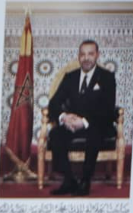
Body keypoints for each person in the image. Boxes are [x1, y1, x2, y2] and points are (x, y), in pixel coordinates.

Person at [47, 40, 117, 196]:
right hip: (73, 124)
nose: (86, 58)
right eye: (82, 54)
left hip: (97, 124)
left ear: (97, 55)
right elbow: (54, 103)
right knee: (56, 134)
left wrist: (84, 122)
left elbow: (107, 109)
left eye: (90, 54)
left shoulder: (107, 77)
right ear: (78, 56)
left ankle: (85, 181)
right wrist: (64, 117)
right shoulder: (70, 77)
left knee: (94, 133)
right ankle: (69, 180)